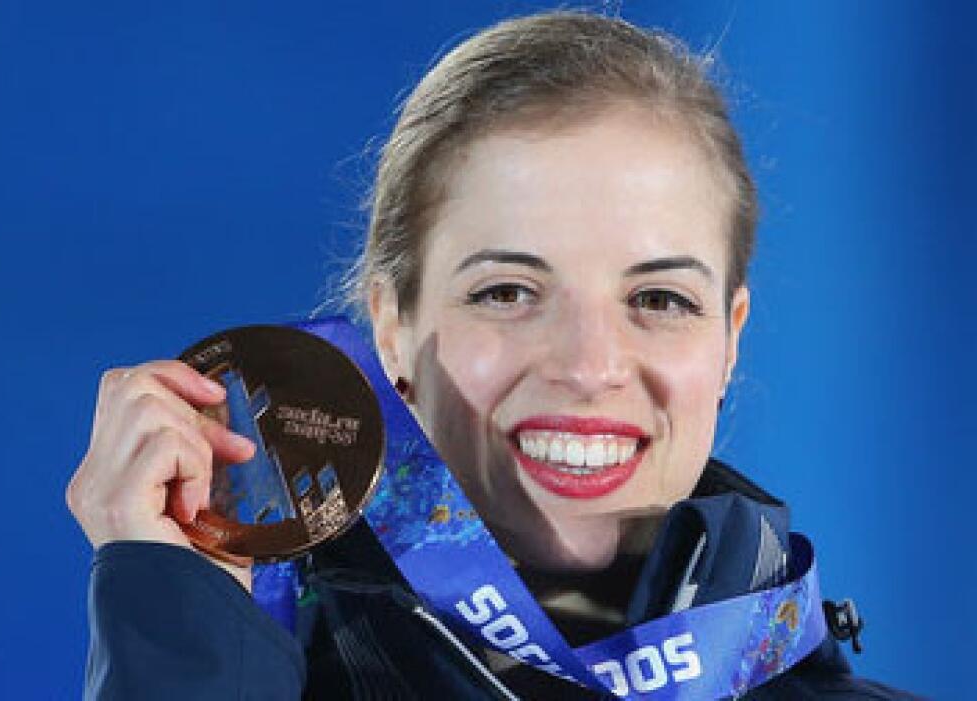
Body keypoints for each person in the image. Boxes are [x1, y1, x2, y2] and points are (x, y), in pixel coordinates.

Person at [66, 10, 920, 700]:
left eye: (658, 299)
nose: (589, 366)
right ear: (389, 325)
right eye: (508, 292)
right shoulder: (214, 667)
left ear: (730, 338)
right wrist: (187, 632)